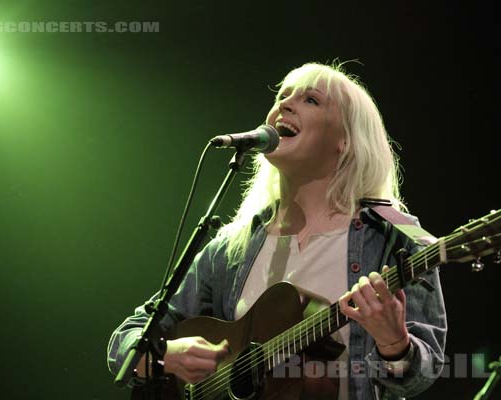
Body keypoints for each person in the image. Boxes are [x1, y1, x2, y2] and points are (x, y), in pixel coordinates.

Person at [107, 62, 447, 399]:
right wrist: (163, 357)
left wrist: (395, 344)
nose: (284, 104)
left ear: (344, 140)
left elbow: (424, 373)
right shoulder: (230, 248)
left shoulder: (396, 237)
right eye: (283, 96)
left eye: (311, 100)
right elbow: (131, 337)